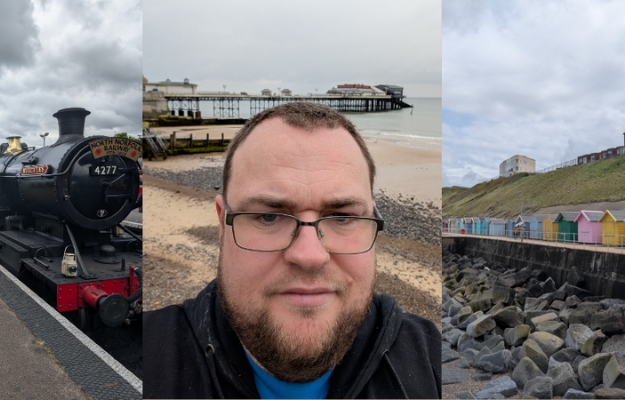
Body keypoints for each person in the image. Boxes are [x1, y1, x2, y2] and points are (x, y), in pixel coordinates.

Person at [143, 102, 441, 399]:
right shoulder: (150, 356)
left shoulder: (427, 360)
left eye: (341, 217)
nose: (310, 256)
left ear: (373, 222)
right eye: (269, 217)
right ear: (223, 224)